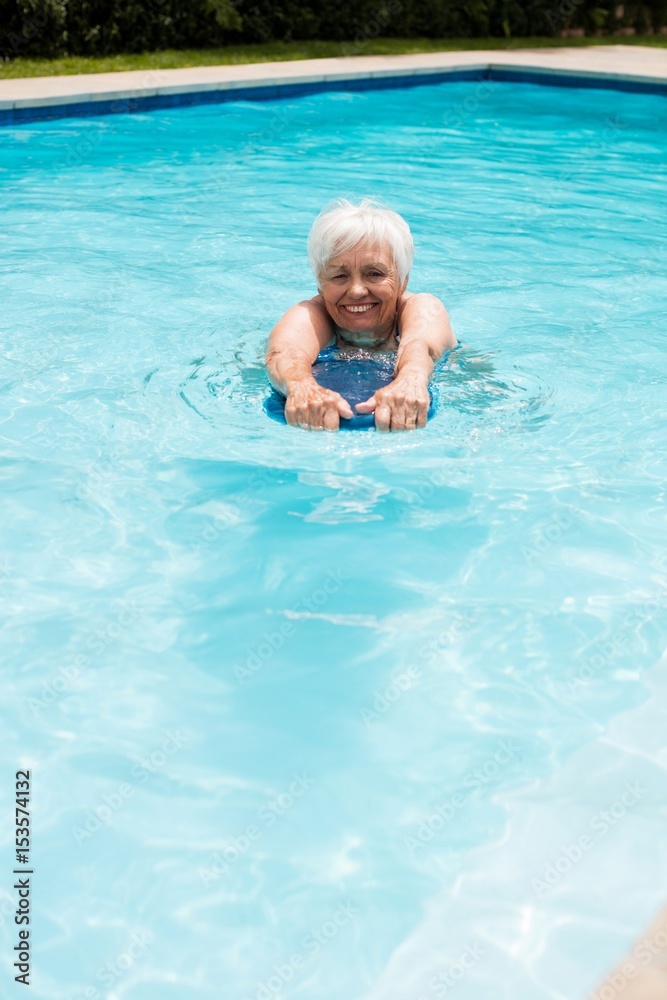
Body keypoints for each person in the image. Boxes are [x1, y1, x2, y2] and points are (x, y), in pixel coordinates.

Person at [265, 198, 457, 432]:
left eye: (374, 274)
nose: (357, 291)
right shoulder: (310, 313)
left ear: (403, 281)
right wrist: (301, 386)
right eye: (339, 276)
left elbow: (419, 347)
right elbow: (283, 354)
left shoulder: (422, 307)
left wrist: (411, 380)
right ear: (320, 286)